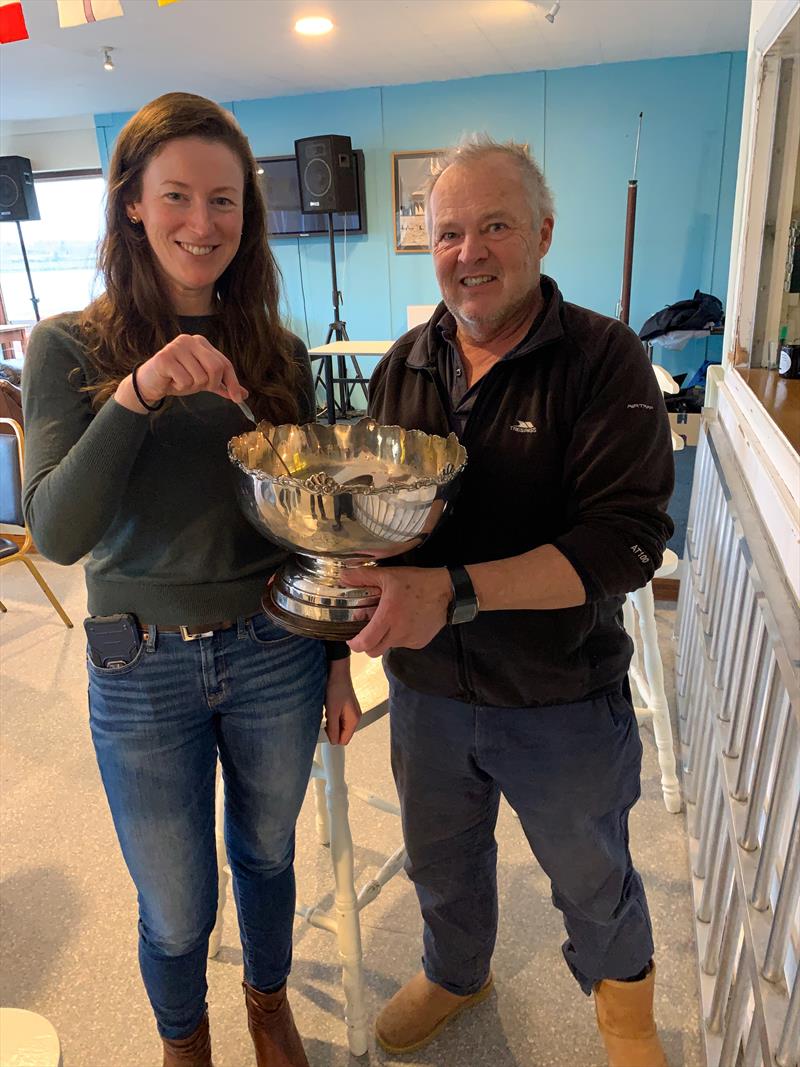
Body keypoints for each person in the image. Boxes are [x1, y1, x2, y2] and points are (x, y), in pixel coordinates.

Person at [22, 92, 361, 1067]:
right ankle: (185, 1040)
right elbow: (59, 531)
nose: (202, 224)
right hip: (139, 665)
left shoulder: (276, 350)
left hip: (274, 650)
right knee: (174, 898)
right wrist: (136, 393)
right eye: (176, 196)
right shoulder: (71, 348)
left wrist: (334, 658)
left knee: (266, 854)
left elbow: (313, 530)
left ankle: (265, 1002)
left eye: (225, 202)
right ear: (130, 201)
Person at [344, 135, 674, 1067]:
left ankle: (626, 1016)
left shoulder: (606, 360)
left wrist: (448, 591)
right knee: (441, 861)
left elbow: (624, 543)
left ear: (543, 233)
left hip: (558, 693)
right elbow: (384, 507)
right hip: (429, 693)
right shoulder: (405, 364)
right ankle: (457, 973)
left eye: (495, 225)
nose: (469, 251)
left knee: (590, 871)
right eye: (449, 232)